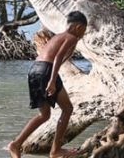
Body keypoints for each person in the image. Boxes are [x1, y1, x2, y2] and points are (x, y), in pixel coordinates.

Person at [6, 11, 88, 158]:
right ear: (77, 27)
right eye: (84, 29)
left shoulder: (58, 36)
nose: (84, 33)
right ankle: (55, 150)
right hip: (46, 71)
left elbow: (58, 57)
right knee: (68, 109)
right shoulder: (71, 37)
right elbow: (57, 58)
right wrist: (52, 80)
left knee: (44, 115)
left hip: (34, 70)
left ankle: (16, 144)